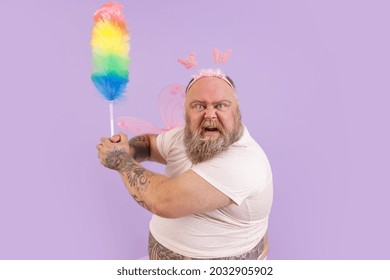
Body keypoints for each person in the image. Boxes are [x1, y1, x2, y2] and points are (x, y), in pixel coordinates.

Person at [97, 69, 273, 260]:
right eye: (199, 106)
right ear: (186, 113)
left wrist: (121, 160)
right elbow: (149, 144)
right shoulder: (185, 137)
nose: (210, 115)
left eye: (221, 105)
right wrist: (128, 150)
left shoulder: (243, 163)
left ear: (237, 112)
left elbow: (163, 201)